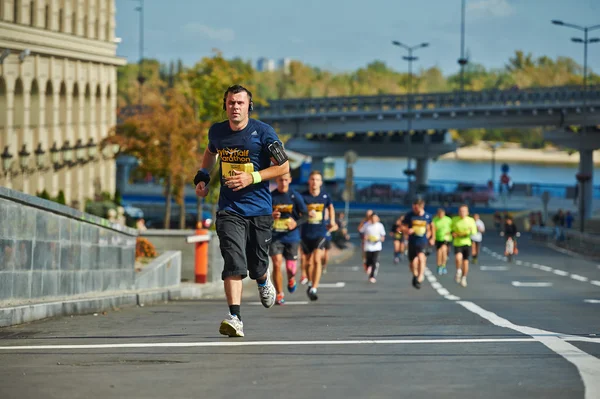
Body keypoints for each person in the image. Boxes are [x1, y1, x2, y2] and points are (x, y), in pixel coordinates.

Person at [194, 84, 289, 337]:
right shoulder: (217, 131)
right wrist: (203, 177)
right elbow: (210, 152)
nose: (235, 107)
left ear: (249, 106)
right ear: (225, 105)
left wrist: (253, 177)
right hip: (230, 208)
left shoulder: (264, 132)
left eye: (240, 103)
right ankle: (234, 317)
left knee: (257, 265)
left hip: (259, 209)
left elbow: (283, 167)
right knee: (234, 261)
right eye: (231, 103)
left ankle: (262, 279)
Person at [270, 173, 307, 305]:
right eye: (281, 180)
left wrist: (296, 223)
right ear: (277, 180)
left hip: (292, 237)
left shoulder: (295, 196)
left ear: (290, 180)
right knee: (276, 263)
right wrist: (271, 215)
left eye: (286, 180)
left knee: (291, 269)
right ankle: (279, 294)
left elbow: (306, 215)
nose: (283, 182)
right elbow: (263, 215)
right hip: (275, 236)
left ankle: (291, 279)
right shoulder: (271, 196)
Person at [300, 170, 337, 301]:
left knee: (316, 259)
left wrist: (332, 220)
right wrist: (306, 214)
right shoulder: (303, 197)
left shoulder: (325, 196)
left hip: (320, 232)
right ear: (309, 181)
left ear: (321, 182)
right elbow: (297, 212)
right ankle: (310, 283)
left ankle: (314, 288)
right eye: (312, 179)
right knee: (308, 263)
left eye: (317, 180)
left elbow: (331, 208)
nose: (314, 182)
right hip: (305, 233)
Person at [402, 198, 434, 289]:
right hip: (412, 241)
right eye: (414, 208)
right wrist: (407, 230)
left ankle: (420, 276)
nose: (415, 210)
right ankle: (415, 275)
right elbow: (401, 228)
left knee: (421, 257)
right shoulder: (409, 215)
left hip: (422, 241)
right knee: (412, 263)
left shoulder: (427, 216)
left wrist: (432, 237)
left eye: (416, 208)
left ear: (421, 206)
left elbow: (432, 227)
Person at [451, 205, 478, 288]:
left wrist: (467, 232)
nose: (462, 213)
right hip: (457, 243)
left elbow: (473, 232)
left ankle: (464, 277)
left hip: (467, 243)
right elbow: (451, 230)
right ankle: (458, 271)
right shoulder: (454, 220)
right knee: (458, 258)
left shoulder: (471, 220)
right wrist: (454, 233)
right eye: (460, 211)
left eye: (464, 211)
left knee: (465, 262)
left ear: (467, 212)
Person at [359, 213, 386, 283]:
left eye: (375, 218)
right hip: (368, 246)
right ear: (370, 219)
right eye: (372, 218)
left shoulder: (380, 226)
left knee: (374, 260)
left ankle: (372, 276)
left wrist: (380, 239)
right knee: (368, 260)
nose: (374, 220)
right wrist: (364, 237)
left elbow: (383, 235)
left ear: (377, 219)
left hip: (377, 246)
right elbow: (361, 232)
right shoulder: (367, 225)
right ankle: (368, 265)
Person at [432, 208, 452, 275]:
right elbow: (432, 229)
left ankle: (443, 266)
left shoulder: (448, 220)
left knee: (444, 250)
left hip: (446, 238)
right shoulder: (435, 220)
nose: (440, 215)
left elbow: (452, 228)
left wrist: (450, 232)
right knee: (439, 252)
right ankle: (439, 266)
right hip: (438, 238)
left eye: (442, 214)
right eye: (439, 214)